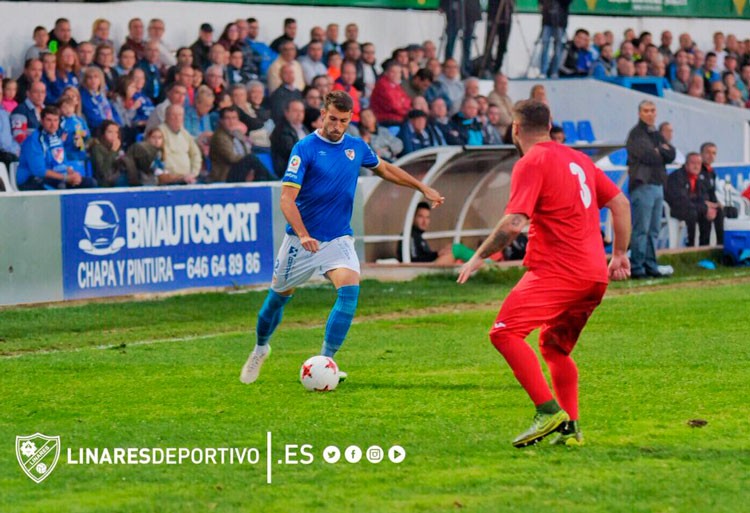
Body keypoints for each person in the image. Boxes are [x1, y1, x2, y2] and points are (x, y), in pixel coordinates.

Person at [457, 99, 631, 448]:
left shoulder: (531, 161)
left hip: (558, 270)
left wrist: (478, 255)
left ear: (515, 129)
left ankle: (548, 411)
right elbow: (620, 204)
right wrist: (620, 256)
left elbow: (515, 223)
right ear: (550, 125)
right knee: (554, 348)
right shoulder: (579, 159)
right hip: (593, 275)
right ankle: (571, 431)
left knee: (504, 333)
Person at [239, 90, 444, 384]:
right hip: (301, 242)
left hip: (337, 240)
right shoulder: (305, 148)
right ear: (323, 114)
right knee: (276, 301)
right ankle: (260, 348)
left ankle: (326, 362)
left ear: (350, 120)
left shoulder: (356, 147)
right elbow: (286, 200)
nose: (336, 126)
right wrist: (303, 233)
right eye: (332, 119)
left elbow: (384, 169)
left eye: (343, 121)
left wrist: (422, 187)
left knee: (349, 291)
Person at [626, 101, 675, 278]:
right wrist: (661, 151)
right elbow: (648, 156)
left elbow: (672, 154)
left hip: (657, 185)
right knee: (641, 228)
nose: (650, 114)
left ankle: (650, 263)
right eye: (646, 111)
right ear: (640, 113)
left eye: (652, 110)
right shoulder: (636, 134)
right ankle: (637, 266)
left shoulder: (655, 134)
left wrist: (659, 150)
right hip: (643, 185)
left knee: (653, 228)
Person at [16, 106, 96, 190]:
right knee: (61, 185)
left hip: (54, 177)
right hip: (31, 179)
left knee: (90, 183)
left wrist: (73, 174)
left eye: (55, 120)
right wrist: (65, 178)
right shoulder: (34, 140)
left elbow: (63, 163)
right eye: (49, 120)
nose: (53, 124)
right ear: (42, 121)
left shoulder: (56, 138)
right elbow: (39, 171)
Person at [209, 106, 272, 183]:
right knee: (251, 158)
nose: (231, 121)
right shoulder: (220, 136)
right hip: (225, 174)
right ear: (221, 121)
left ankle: (269, 181)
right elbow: (231, 158)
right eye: (228, 118)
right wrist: (247, 160)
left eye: (234, 118)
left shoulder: (237, 133)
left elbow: (247, 150)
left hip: (239, 170)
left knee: (256, 168)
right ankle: (272, 180)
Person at [665, 152, 715, 247]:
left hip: (694, 207)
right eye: (693, 163)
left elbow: (704, 197)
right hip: (677, 208)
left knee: (711, 212)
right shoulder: (677, 177)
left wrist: (710, 206)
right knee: (694, 212)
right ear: (686, 164)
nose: (696, 166)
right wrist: (704, 207)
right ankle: (690, 245)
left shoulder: (701, 178)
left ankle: (706, 246)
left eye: (698, 164)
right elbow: (681, 200)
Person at [159, 104, 201, 184]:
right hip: (169, 181)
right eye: (173, 115)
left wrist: (193, 173)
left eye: (180, 115)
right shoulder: (159, 133)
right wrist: (177, 177)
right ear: (166, 117)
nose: (177, 118)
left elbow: (196, 154)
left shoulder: (185, 133)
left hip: (188, 179)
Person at [699, 142, 724, 245]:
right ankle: (703, 247)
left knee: (727, 211)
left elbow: (712, 192)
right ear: (701, 154)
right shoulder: (697, 169)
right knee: (707, 213)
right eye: (708, 153)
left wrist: (717, 203)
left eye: (714, 153)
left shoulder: (711, 172)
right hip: (698, 204)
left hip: (711, 204)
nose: (711, 156)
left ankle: (721, 245)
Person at [539, 0, 571, 78]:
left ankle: (554, 71)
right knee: (545, 46)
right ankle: (543, 71)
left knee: (558, 48)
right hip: (547, 20)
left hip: (560, 21)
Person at [90, 120, 125, 187]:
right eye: (110, 132)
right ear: (103, 133)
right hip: (105, 181)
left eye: (116, 132)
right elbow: (103, 171)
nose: (114, 135)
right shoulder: (97, 148)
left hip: (119, 176)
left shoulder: (118, 148)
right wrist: (113, 151)